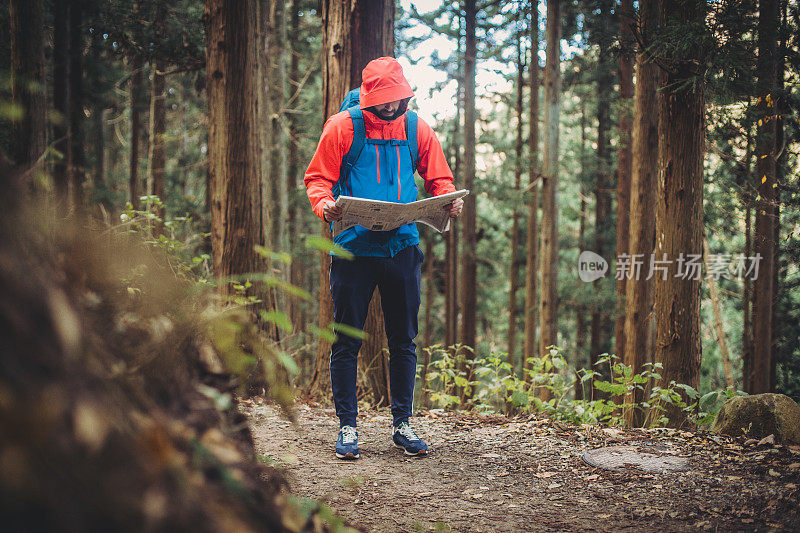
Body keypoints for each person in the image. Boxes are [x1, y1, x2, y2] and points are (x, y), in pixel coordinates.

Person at [304, 57, 463, 459]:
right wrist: (325, 206)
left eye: (397, 99)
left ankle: (403, 424)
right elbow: (318, 178)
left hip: (403, 247)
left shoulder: (416, 128)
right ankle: (347, 429)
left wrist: (447, 201)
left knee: (403, 340)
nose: (391, 107)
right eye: (385, 100)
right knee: (347, 340)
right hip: (353, 248)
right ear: (370, 95)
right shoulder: (342, 127)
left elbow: (438, 177)